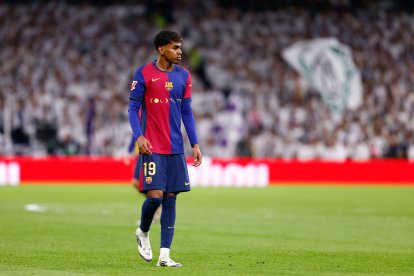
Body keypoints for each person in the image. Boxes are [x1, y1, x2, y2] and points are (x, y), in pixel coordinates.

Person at [128, 30, 202, 267]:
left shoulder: (184, 76)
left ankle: (164, 255)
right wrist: (138, 137)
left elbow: (187, 112)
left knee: (171, 198)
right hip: (151, 147)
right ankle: (143, 230)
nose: (180, 52)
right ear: (162, 49)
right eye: (175, 47)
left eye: (180, 47)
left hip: (175, 148)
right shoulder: (144, 74)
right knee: (155, 197)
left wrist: (195, 143)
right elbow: (132, 109)